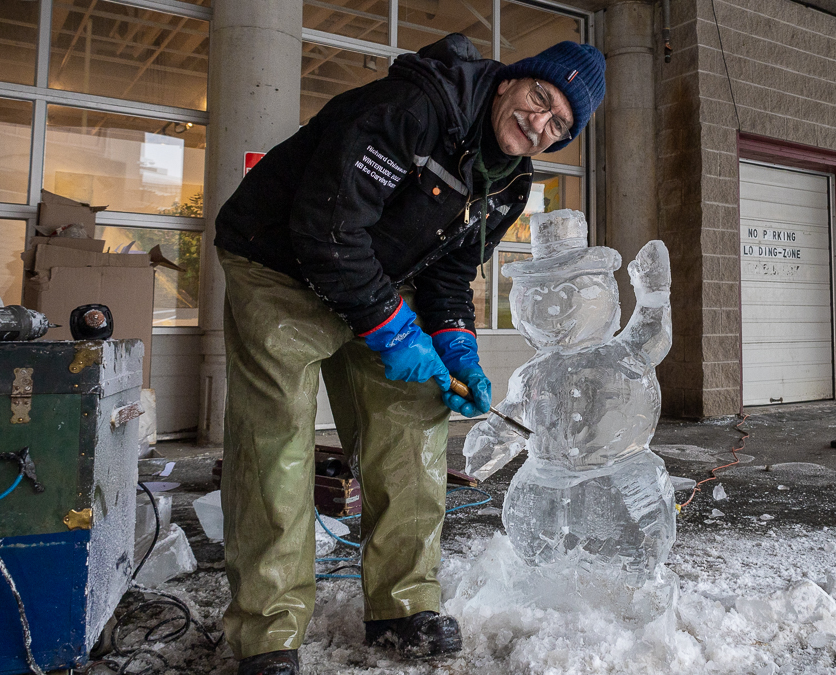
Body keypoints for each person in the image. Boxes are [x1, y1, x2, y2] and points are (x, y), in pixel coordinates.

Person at [212, 33, 606, 674]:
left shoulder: (509, 185)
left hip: (374, 275)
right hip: (278, 260)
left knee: (415, 421)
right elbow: (328, 227)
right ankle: (268, 633)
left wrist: (455, 344)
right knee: (275, 440)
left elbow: (451, 271)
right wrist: (392, 332)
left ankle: (401, 607)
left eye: (559, 124)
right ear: (509, 81)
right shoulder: (414, 109)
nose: (539, 123)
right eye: (539, 97)